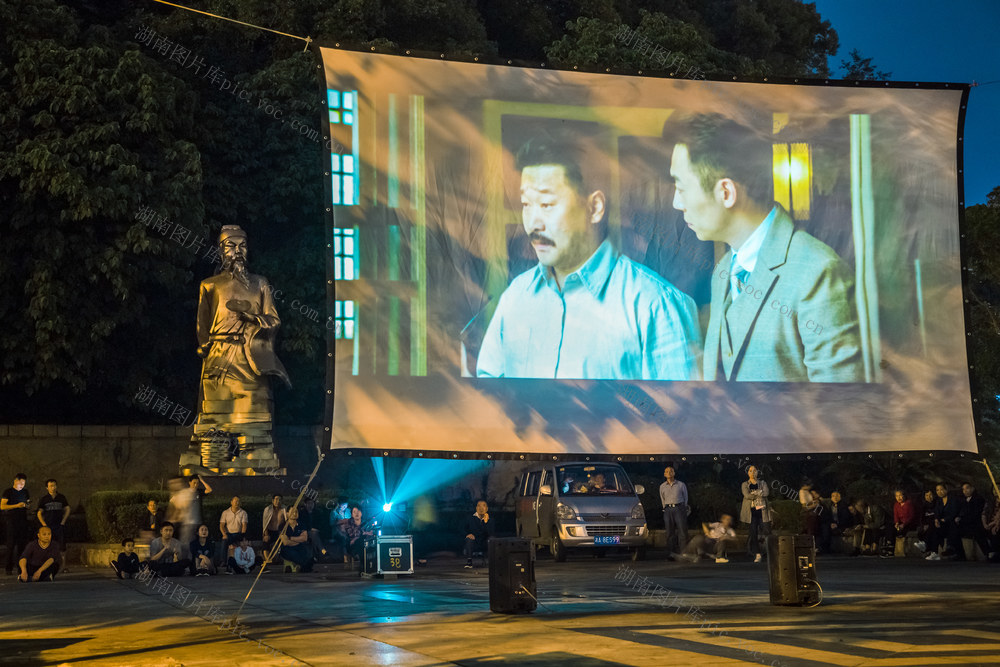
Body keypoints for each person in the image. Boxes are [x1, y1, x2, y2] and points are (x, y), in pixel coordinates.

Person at [477, 134, 701, 380]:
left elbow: (682, 413)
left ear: (594, 208)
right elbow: (488, 396)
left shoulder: (655, 304)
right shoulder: (516, 297)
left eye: (546, 204)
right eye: (526, 204)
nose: (533, 223)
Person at [665, 113, 864, 382]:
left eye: (681, 187)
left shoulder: (818, 273)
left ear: (726, 192)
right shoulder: (724, 271)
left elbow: (840, 407)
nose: (677, 203)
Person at [191, 225, 290, 466]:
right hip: (220, 357)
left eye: (242, 246)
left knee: (255, 416)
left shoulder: (260, 284)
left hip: (250, 357)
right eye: (231, 246)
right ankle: (213, 461)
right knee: (216, 417)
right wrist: (205, 347)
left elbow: (274, 319)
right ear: (221, 250)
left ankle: (256, 461)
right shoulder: (210, 285)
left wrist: (254, 319)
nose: (237, 251)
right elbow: (202, 325)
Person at [740, 466, 771, 563]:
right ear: (748, 473)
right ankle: (757, 554)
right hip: (751, 512)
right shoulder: (745, 484)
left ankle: (770, 552)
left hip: (762, 511)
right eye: (750, 471)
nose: (753, 472)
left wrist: (755, 493)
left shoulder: (762, 483)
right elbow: (747, 495)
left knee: (767, 531)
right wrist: (759, 493)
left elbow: (766, 493)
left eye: (754, 470)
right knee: (753, 533)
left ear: (757, 472)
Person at [2, 473, 30, 576]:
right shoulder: (8, 492)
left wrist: (26, 505)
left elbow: (27, 502)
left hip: (23, 521)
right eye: (21, 482)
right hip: (12, 521)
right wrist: (16, 505)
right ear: (15, 481)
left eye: (24, 483)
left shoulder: (25, 492)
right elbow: (2, 506)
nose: (22, 485)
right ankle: (8, 568)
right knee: (11, 545)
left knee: (22, 546)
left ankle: (21, 568)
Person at [659, 466, 688, 559]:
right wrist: (665, 508)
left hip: (679, 508)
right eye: (666, 471)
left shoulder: (681, 484)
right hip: (668, 509)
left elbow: (685, 497)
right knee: (669, 532)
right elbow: (662, 498)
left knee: (682, 531)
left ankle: (684, 552)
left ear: (674, 473)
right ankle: (671, 553)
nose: (669, 472)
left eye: (671, 471)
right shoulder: (662, 486)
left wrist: (683, 507)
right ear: (664, 474)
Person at [36, 479, 71, 555]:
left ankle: (62, 565)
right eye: (51, 486)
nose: (53, 488)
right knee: (48, 546)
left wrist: (63, 521)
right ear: (47, 487)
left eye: (54, 485)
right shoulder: (44, 499)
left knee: (62, 546)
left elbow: (67, 509)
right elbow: (39, 513)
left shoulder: (61, 497)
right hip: (49, 525)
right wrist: (44, 524)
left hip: (59, 525)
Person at [957, 483, 991, 561]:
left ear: (972, 488)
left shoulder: (978, 499)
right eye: (963, 489)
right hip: (966, 523)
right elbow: (962, 511)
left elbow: (976, 513)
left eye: (967, 488)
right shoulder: (963, 500)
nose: (965, 491)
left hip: (976, 522)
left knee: (978, 532)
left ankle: (987, 552)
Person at [927, 484, 960, 560]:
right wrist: (936, 520)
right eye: (937, 490)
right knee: (934, 527)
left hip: (951, 522)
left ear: (946, 490)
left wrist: (944, 519)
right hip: (942, 523)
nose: (939, 492)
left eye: (941, 489)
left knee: (936, 529)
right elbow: (937, 512)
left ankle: (930, 547)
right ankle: (934, 552)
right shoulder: (939, 501)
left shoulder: (952, 499)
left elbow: (954, 512)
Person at [463, 500, 495, 568]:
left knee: (491, 539)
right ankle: (469, 562)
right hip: (474, 541)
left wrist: (486, 522)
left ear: (487, 508)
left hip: (485, 542)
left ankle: (492, 562)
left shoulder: (490, 520)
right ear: (476, 508)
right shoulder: (470, 518)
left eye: (484, 505)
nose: (481, 508)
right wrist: (468, 534)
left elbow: (491, 533)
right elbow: (463, 529)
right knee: (469, 539)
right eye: (479, 505)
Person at [219, 495, 248, 571]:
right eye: (235, 501)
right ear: (231, 502)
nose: (236, 503)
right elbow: (222, 525)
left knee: (240, 541)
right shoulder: (225, 512)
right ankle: (223, 561)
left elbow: (244, 525)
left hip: (238, 533)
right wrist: (224, 534)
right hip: (228, 533)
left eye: (238, 501)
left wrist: (242, 535)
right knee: (224, 541)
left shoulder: (243, 513)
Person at [279, 507, 312, 573]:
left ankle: (300, 566)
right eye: (292, 512)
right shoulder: (283, 526)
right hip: (287, 548)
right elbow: (285, 542)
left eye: (296, 512)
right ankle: (301, 566)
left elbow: (304, 538)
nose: (294, 513)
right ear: (287, 514)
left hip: (300, 547)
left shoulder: (301, 524)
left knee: (306, 552)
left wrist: (291, 538)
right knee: (292, 553)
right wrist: (298, 539)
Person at [262, 494, 287, 561]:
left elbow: (287, 521)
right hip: (270, 531)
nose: (277, 501)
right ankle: (267, 559)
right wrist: (266, 534)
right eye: (276, 499)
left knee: (285, 542)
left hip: (280, 531)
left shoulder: (284, 509)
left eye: (279, 499)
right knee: (265, 542)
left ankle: (283, 559)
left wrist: (283, 532)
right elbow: (265, 523)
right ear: (273, 500)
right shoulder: (268, 509)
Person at [329, 498, 351, 563]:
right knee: (343, 537)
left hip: (346, 531)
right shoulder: (334, 512)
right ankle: (345, 556)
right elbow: (332, 523)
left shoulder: (348, 511)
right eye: (342, 505)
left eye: (345, 505)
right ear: (339, 505)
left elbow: (349, 521)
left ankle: (351, 554)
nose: (344, 507)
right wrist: (341, 521)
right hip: (337, 532)